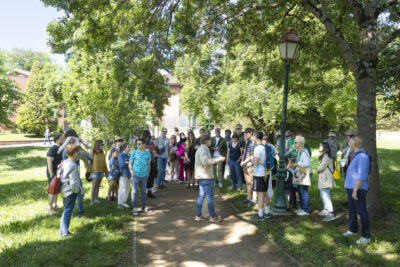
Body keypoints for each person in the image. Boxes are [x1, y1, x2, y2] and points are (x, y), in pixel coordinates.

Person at [343, 136, 371, 245]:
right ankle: (352, 229)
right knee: (352, 210)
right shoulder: (355, 155)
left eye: (349, 141)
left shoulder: (363, 157)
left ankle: (366, 236)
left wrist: (355, 190)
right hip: (351, 188)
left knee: (361, 212)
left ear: (355, 144)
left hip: (358, 189)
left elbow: (362, 176)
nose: (348, 143)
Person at [194, 134, 225, 223]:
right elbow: (205, 161)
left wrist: (212, 162)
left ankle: (198, 215)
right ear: (207, 141)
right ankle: (212, 216)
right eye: (210, 140)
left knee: (201, 196)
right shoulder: (203, 149)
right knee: (210, 197)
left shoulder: (201, 149)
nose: (211, 142)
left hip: (201, 176)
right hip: (206, 176)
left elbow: (205, 161)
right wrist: (217, 159)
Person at [60, 144, 84, 238]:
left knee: (66, 210)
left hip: (63, 189)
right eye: (77, 151)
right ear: (75, 153)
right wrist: (77, 191)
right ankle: (65, 233)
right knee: (68, 211)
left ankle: (62, 230)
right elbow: (74, 182)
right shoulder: (73, 165)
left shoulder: (64, 162)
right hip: (70, 191)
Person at [250, 131, 271, 221]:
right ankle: (267, 213)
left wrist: (251, 159)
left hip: (259, 173)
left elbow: (255, 162)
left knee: (260, 194)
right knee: (265, 193)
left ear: (255, 137)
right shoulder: (265, 147)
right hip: (266, 172)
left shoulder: (258, 148)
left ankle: (260, 215)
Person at [289, 136, 311, 216]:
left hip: (304, 175)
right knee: (300, 191)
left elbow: (307, 163)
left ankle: (306, 210)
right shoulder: (300, 151)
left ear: (301, 143)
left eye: (295, 142)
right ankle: (302, 208)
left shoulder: (304, 152)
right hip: (301, 174)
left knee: (303, 192)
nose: (294, 144)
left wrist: (297, 164)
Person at [129, 138, 152, 216]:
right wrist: (131, 171)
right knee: (134, 191)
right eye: (137, 144)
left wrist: (148, 172)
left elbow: (149, 164)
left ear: (144, 144)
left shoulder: (148, 153)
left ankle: (144, 206)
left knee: (143, 191)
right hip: (135, 175)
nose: (137, 145)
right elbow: (130, 163)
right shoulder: (134, 153)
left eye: (139, 144)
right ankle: (134, 208)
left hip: (144, 175)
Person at [317, 142, 336, 222]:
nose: (319, 146)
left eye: (320, 145)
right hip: (324, 178)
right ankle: (326, 209)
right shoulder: (325, 156)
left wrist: (318, 169)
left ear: (324, 147)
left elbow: (321, 168)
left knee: (326, 196)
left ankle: (330, 213)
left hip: (326, 179)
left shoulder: (326, 156)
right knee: (323, 194)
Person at [46, 134, 65, 215]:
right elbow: (49, 161)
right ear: (56, 140)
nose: (63, 139)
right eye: (61, 138)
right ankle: (49, 209)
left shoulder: (61, 148)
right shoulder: (53, 149)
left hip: (59, 172)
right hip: (53, 173)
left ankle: (54, 205)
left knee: (57, 190)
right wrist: (51, 174)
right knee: (52, 190)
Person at [240, 128, 256, 206]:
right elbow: (245, 153)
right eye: (245, 133)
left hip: (250, 165)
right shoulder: (247, 142)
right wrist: (243, 161)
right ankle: (248, 198)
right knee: (248, 182)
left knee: (251, 182)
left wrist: (244, 162)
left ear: (251, 133)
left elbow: (252, 155)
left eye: (247, 133)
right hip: (245, 164)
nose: (245, 134)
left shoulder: (253, 142)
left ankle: (253, 200)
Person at [90, 140, 108, 205]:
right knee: (94, 186)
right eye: (101, 145)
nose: (102, 146)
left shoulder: (102, 153)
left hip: (101, 172)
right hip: (94, 172)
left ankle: (96, 199)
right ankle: (92, 200)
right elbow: (89, 162)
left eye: (102, 145)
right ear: (97, 145)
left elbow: (104, 162)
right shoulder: (92, 152)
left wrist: (106, 172)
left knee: (98, 186)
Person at [118, 142, 131, 209]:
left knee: (127, 189)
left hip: (129, 174)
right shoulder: (121, 155)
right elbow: (122, 164)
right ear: (124, 148)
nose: (129, 148)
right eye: (128, 147)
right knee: (122, 189)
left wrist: (127, 163)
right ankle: (119, 203)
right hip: (123, 174)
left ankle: (124, 202)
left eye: (129, 147)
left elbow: (132, 163)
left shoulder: (129, 155)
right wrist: (128, 163)